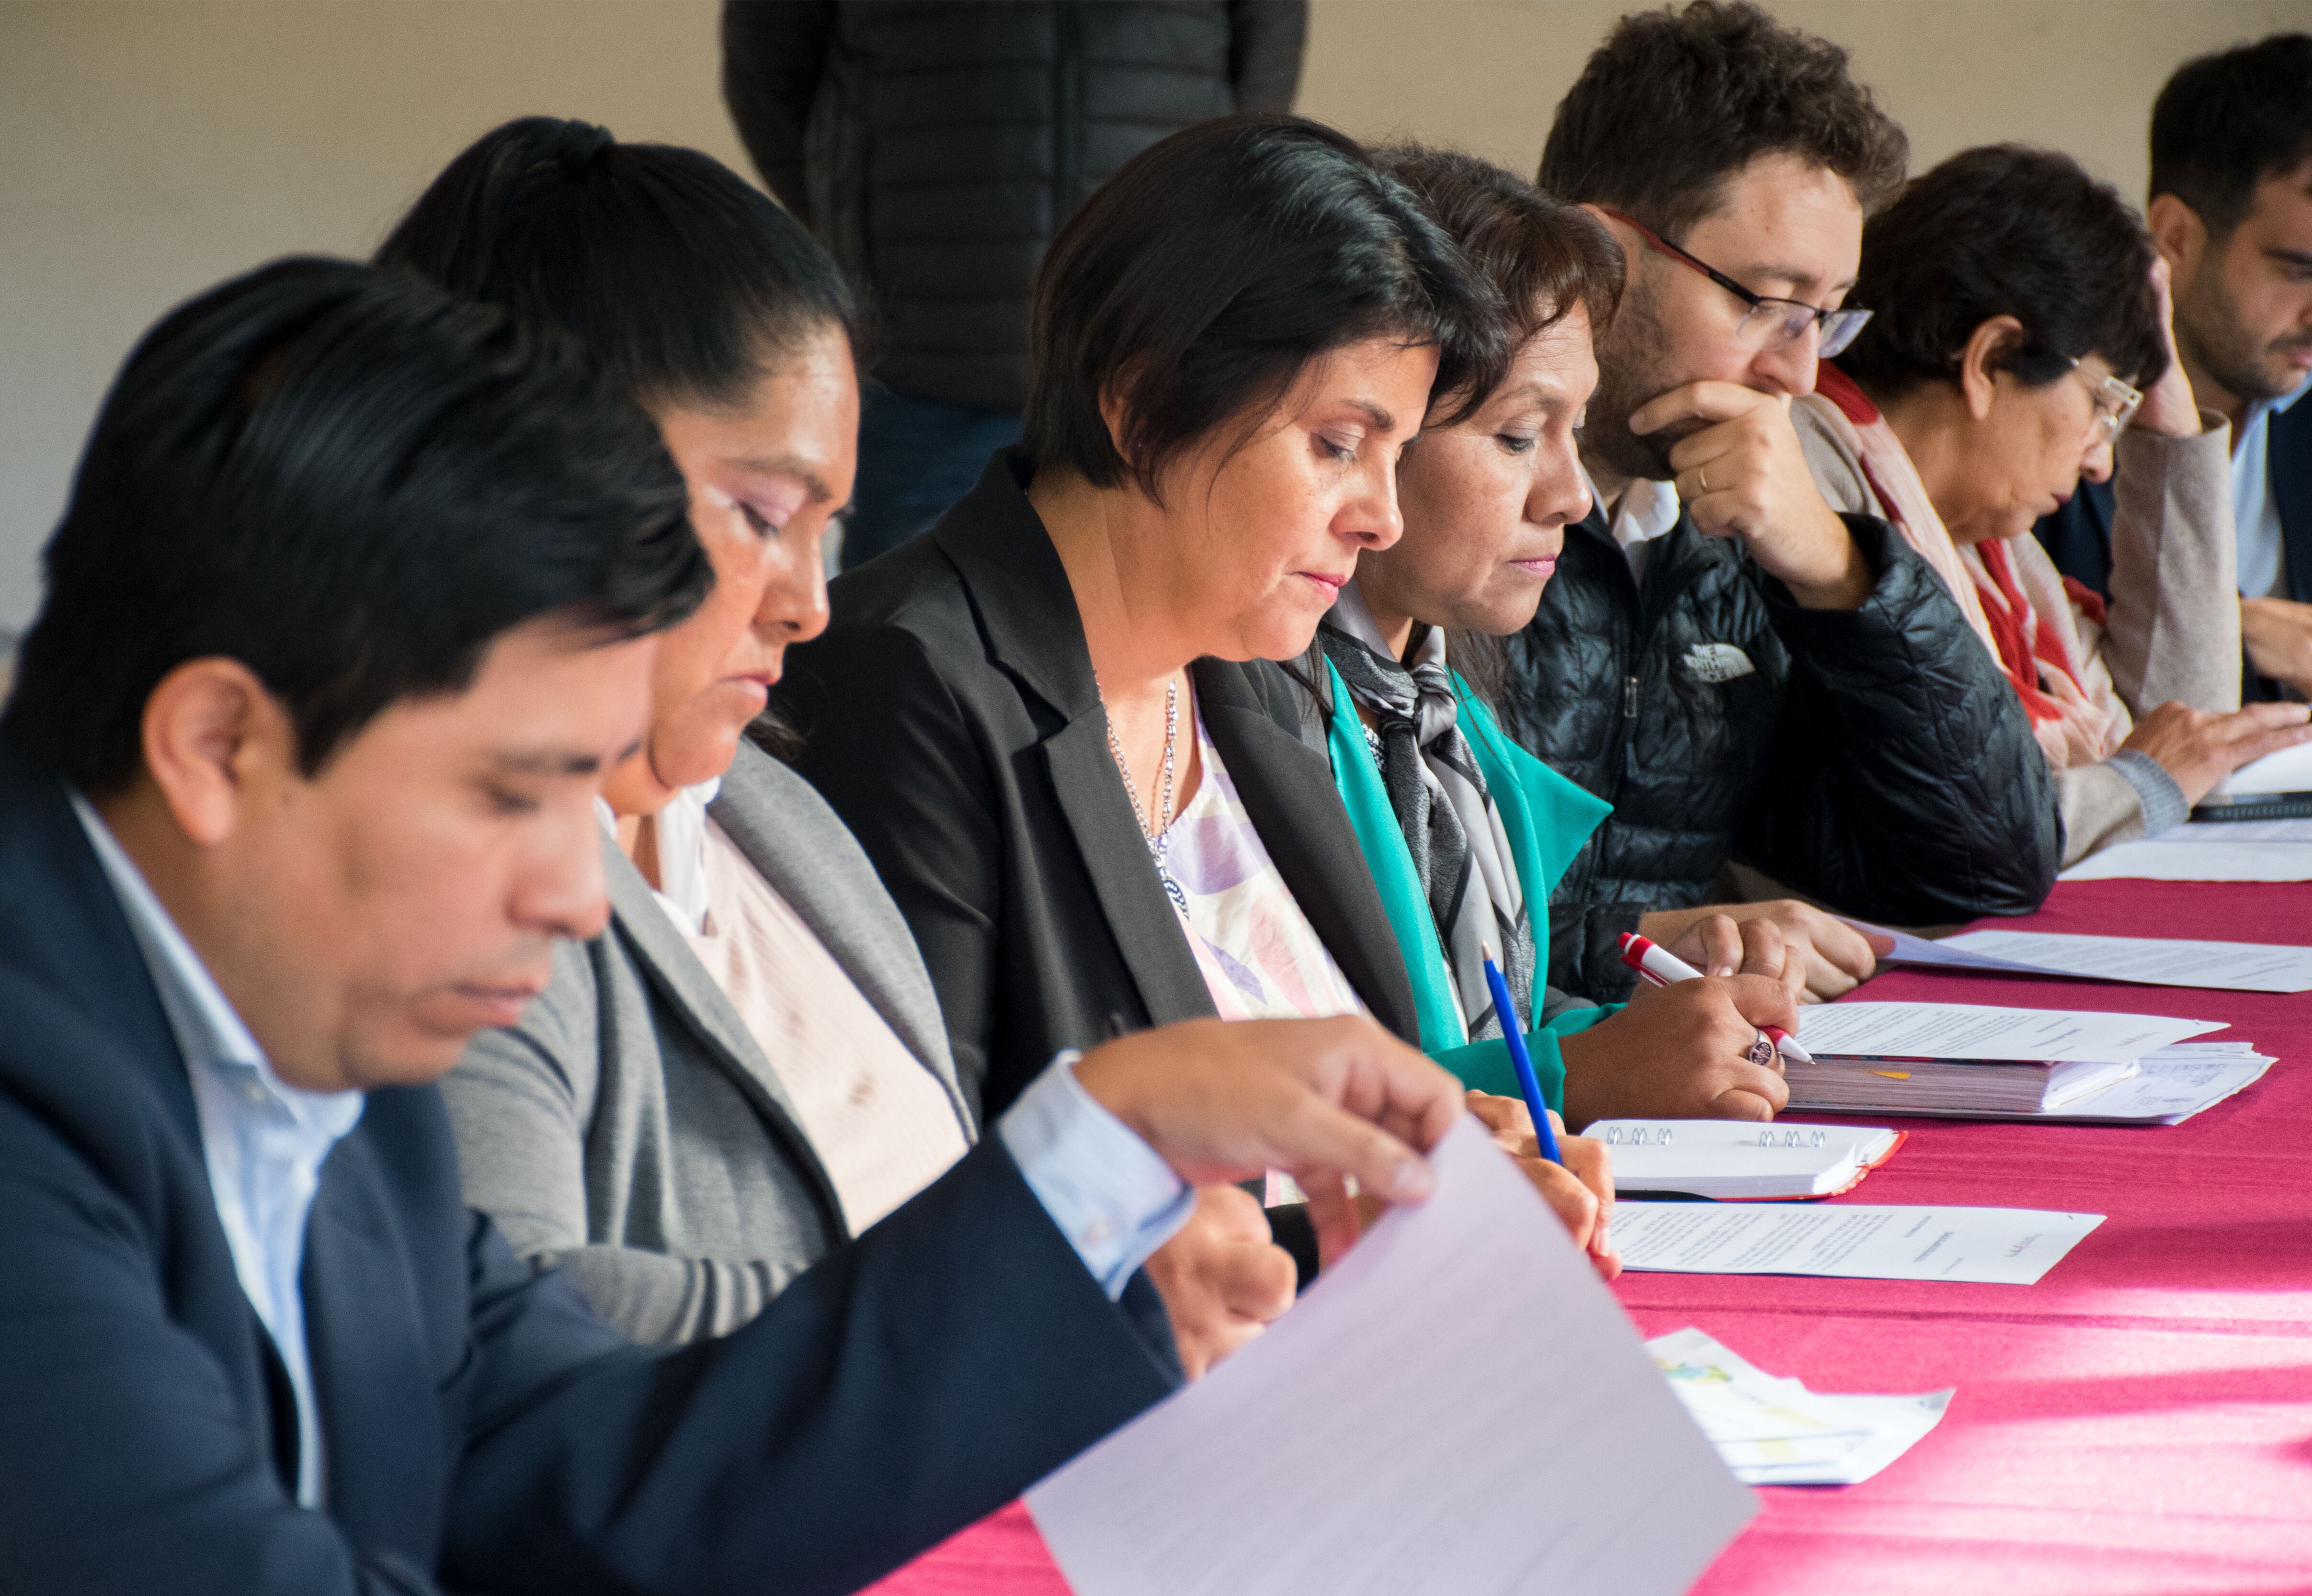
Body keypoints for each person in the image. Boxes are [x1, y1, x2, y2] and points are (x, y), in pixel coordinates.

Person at [0, 255, 1473, 1595]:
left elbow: (603, 1477)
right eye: (514, 792)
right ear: (215, 746)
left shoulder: (315, 1044)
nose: (579, 895)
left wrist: (1093, 1154)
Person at [381, 117, 1300, 1377]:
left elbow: (962, 1206)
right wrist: (1031, 1297)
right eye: (760, 515)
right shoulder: (448, 877)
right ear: (530, 481)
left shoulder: (774, 811)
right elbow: (495, 1330)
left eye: (829, 528)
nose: (808, 602)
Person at [774, 115, 1619, 1270]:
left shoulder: (1252, 671)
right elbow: (936, 1221)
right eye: (1336, 444)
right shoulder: (909, 684)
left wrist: (1449, 1147)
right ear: (1141, 401)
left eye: (1397, 451)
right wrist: (1342, 1237)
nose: (1383, 515)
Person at [1504, 0, 2059, 1005]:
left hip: (1700, 1098)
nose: (1797, 373)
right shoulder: (1432, 507)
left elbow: (1985, 869)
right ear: (1597, 249)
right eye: (1762, 301)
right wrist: (1642, 947)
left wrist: (1844, 575)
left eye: (1822, 317)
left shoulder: (1735, 546)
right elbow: (1360, 932)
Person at [1283, 145, 1804, 1126]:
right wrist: (1583, 1074)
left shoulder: (1448, 708)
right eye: (1521, 435)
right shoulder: (1258, 724)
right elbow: (1275, 1096)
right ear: (1373, 430)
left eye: (1577, 431)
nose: (1570, 496)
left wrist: (1651, 1033)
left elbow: (1495, 1014)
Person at [1800, 145, 2312, 864]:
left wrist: (2167, 428)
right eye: (2105, 404)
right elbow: (1947, 838)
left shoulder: (1992, 550)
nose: (2104, 460)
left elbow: (2187, 727)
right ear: (1990, 360)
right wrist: (2137, 783)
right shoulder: (1807, 487)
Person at [721, 0, 1308, 569]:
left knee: (1145, 640)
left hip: (1144, 363)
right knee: (896, 641)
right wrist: (852, 218)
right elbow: (768, 70)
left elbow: (1260, 68)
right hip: (923, 366)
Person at [2037, 34, 2312, 704]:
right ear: (2175, 237)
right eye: (2302, 269)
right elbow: (2011, 644)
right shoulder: (2045, 386)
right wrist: (2224, 623)